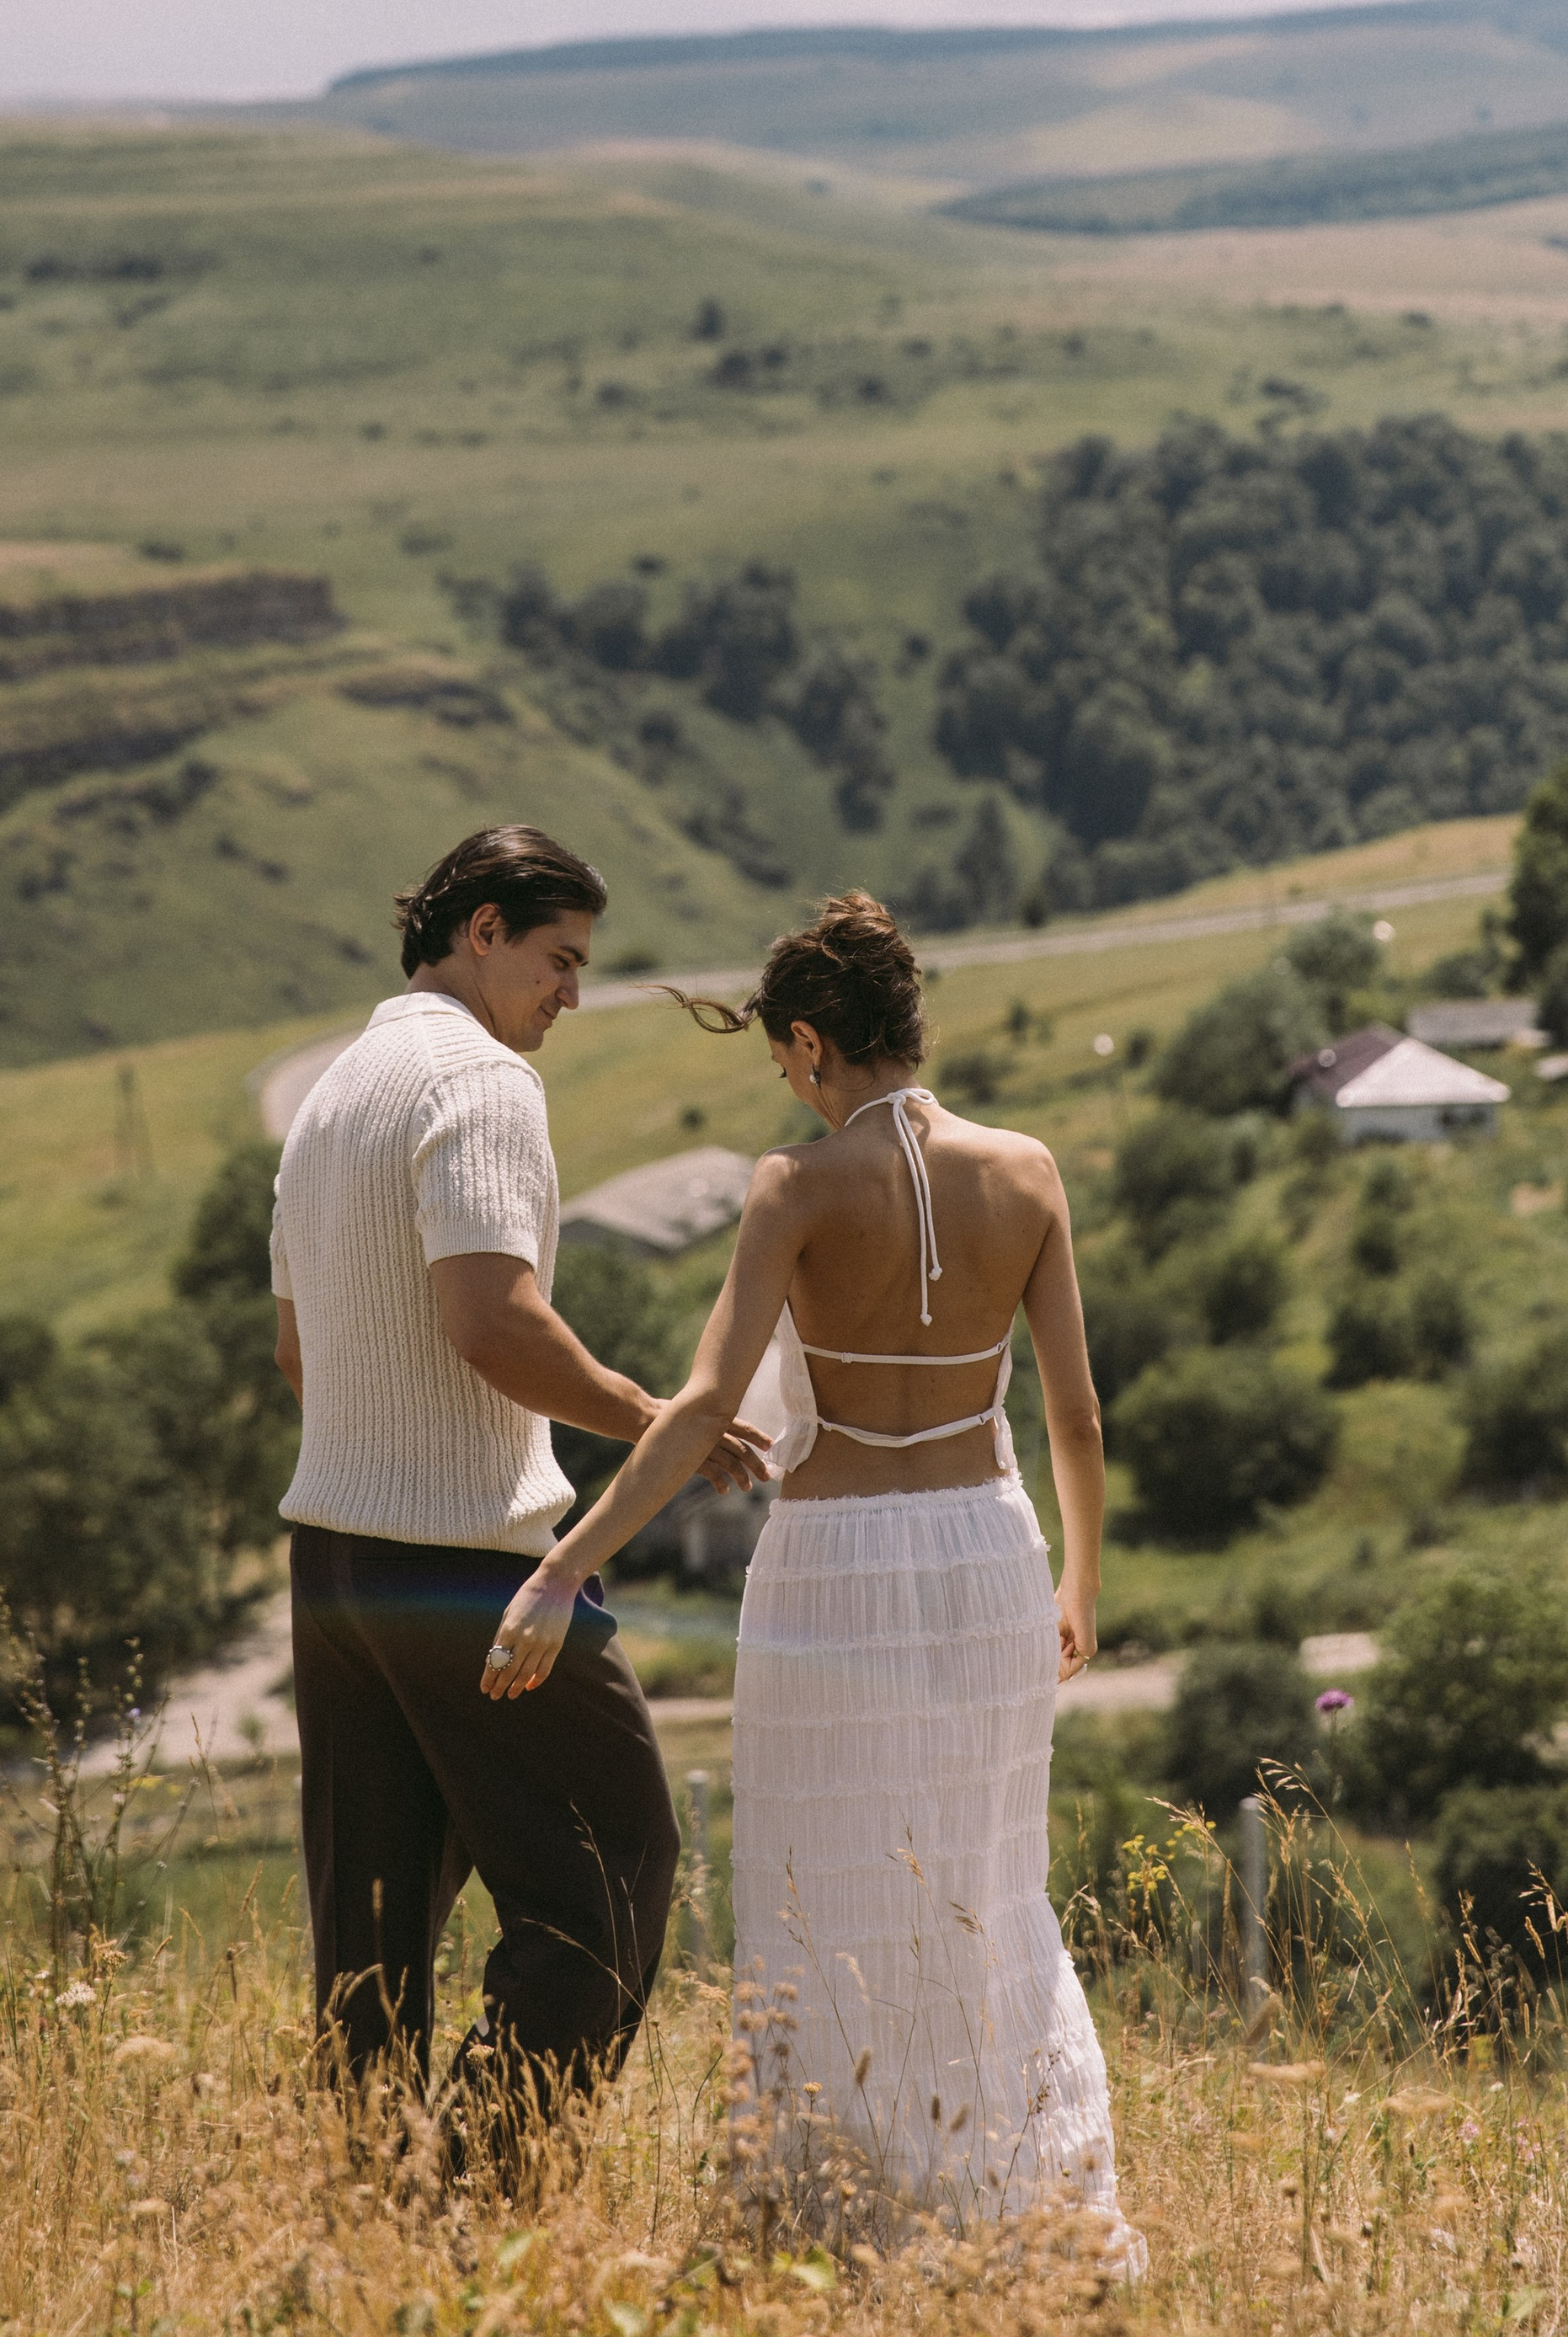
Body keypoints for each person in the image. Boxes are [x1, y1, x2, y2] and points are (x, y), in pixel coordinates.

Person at [482, 891, 1136, 2269]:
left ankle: (833, 2207)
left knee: (824, 1888)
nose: (788, 1082)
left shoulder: (793, 1185)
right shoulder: (1027, 1169)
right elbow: (1074, 1414)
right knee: (981, 1877)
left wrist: (565, 1566)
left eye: (785, 1060)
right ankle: (1010, 2194)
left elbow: (703, 1402)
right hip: (986, 1561)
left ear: (808, 1040)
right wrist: (1081, 1578)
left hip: (833, 1567)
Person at [269, 821, 767, 2144]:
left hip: (333, 1563)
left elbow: (294, 1348)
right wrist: (658, 1418)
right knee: (610, 1878)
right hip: (475, 1565)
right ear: (479, 930)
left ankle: (356, 2203)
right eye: (559, 958)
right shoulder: (484, 1086)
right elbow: (494, 1322)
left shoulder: (331, 1093)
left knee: (371, 1926)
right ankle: (479, 2183)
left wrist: (381, 1464)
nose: (572, 993)